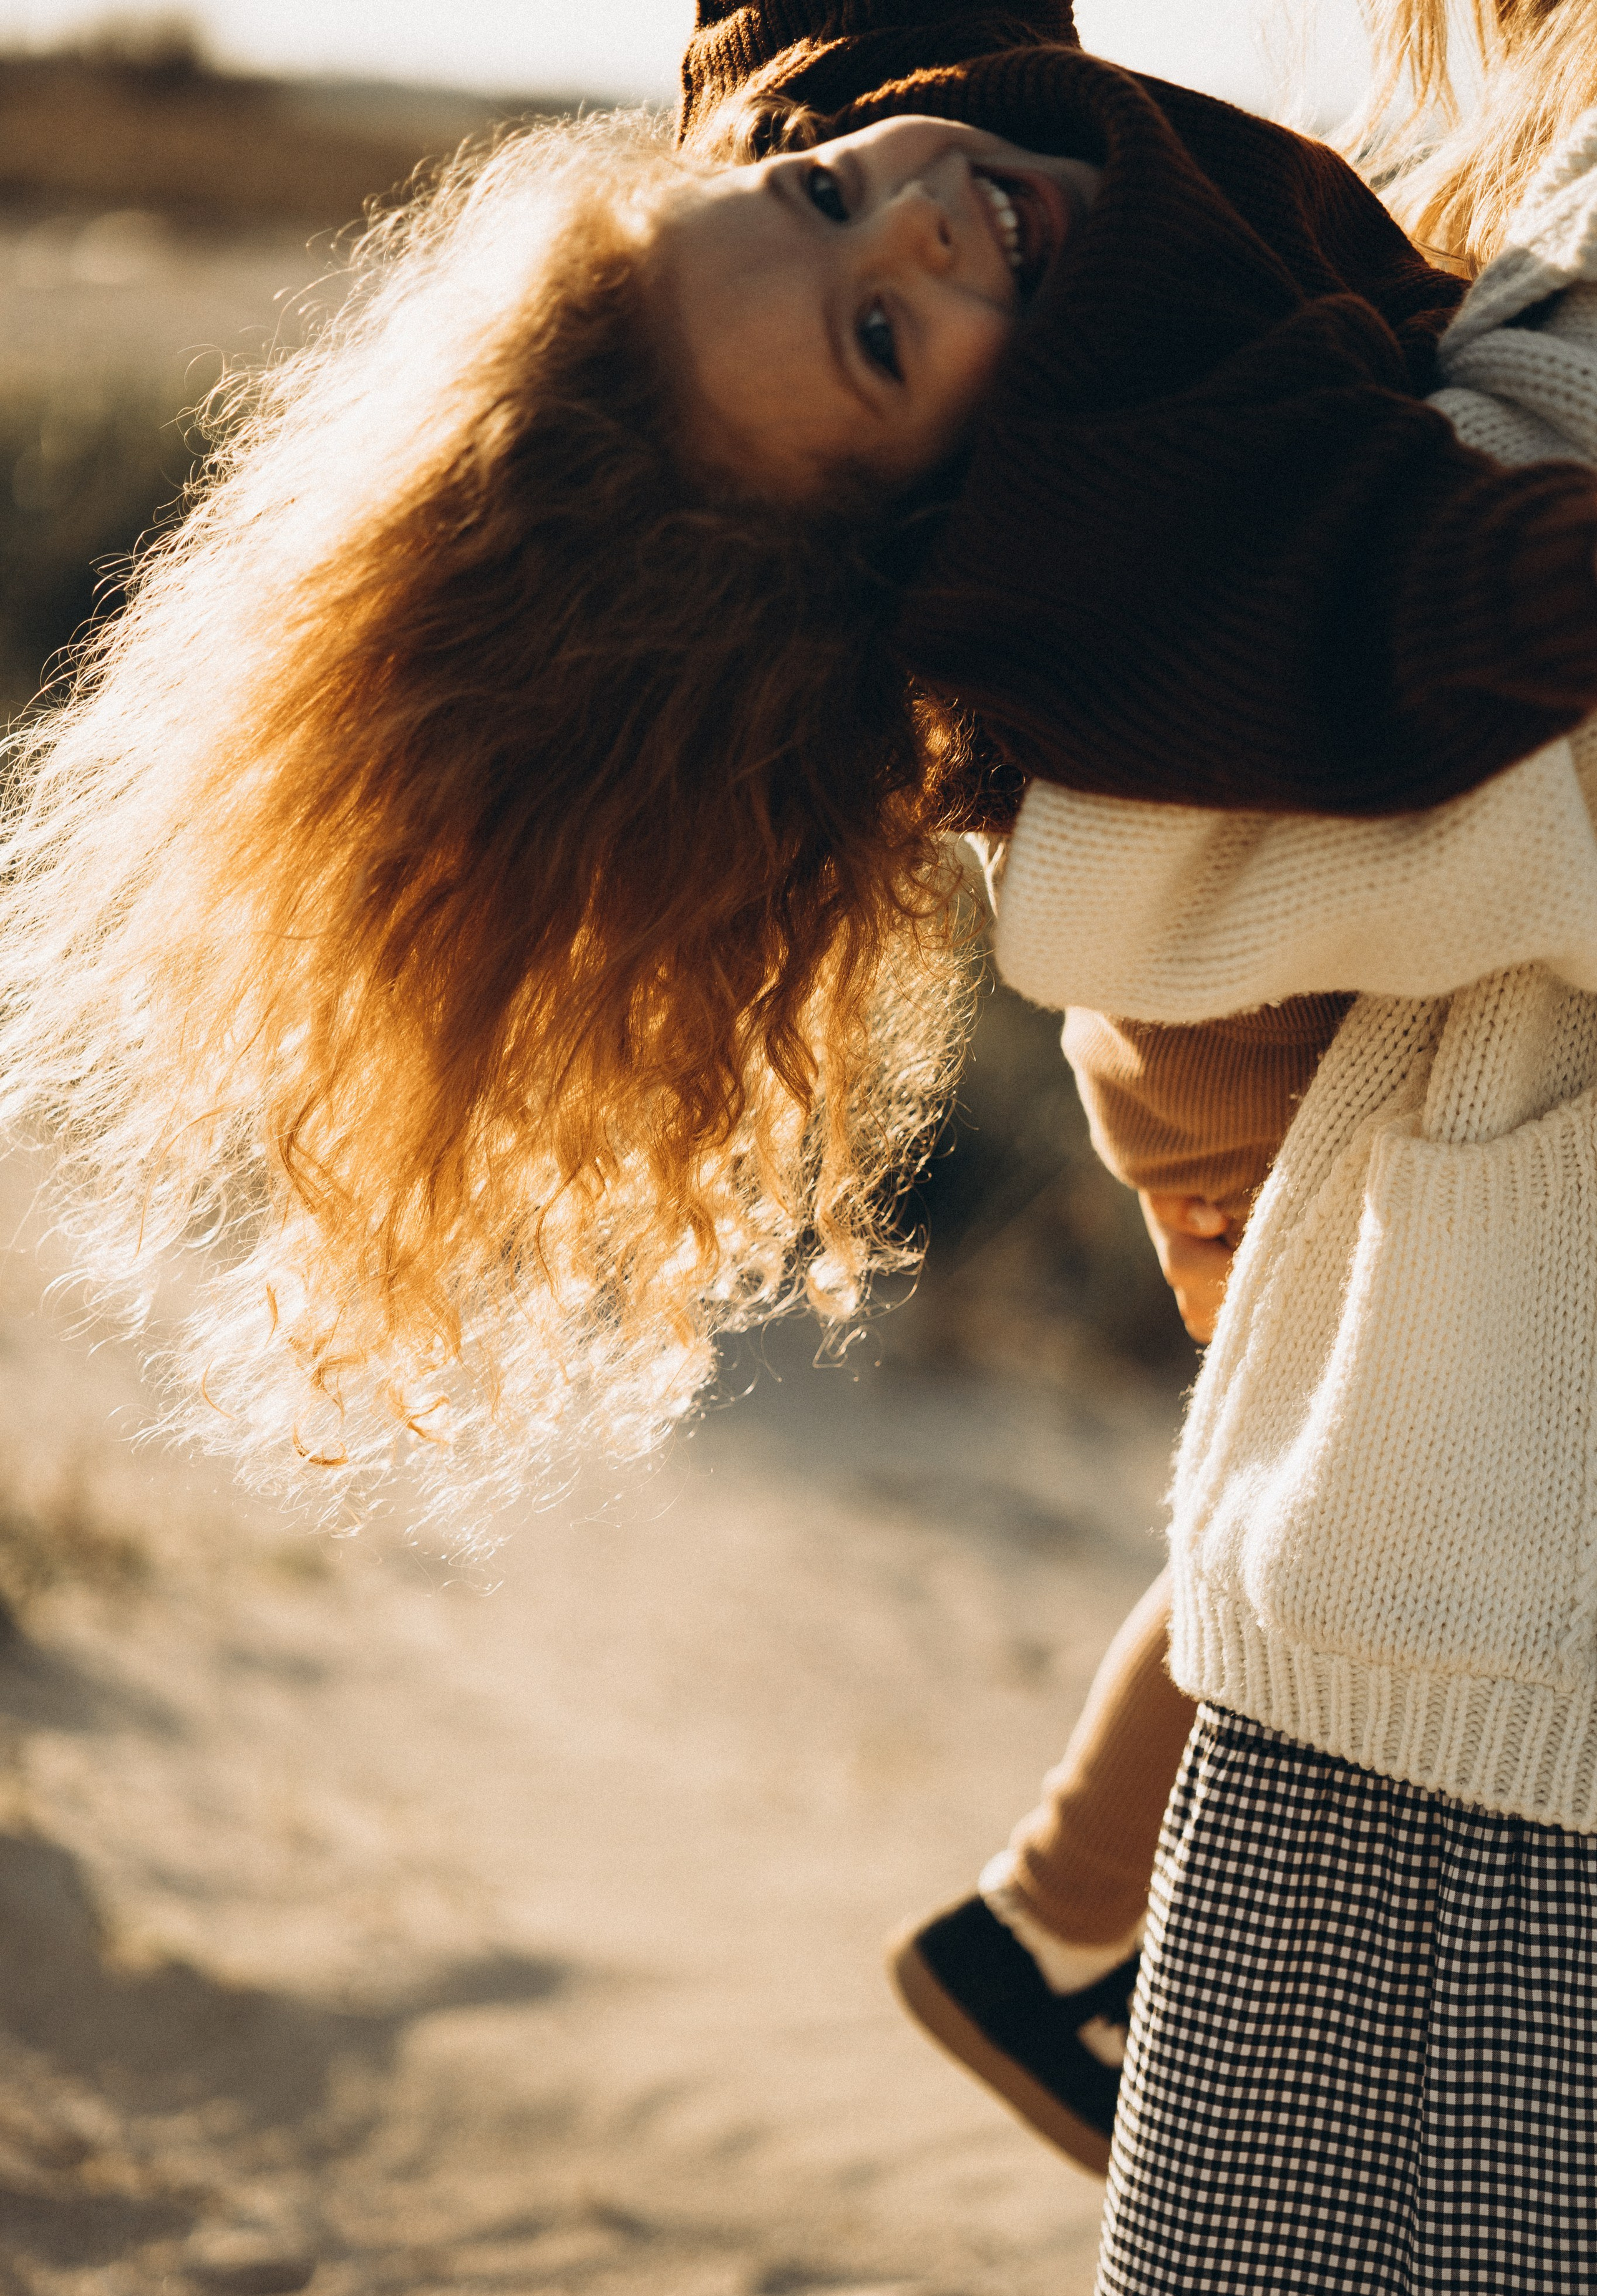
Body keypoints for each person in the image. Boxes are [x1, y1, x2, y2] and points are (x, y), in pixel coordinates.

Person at [0, 1, 1592, 1556]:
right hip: (1237, 1059)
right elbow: (1466, 601)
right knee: (1323, 1538)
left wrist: (820, 203)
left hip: (1224, 960)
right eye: (881, 339)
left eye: (819, 193)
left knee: (1272, 1541)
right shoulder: (1144, 565)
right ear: (906, 537)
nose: (920, 219)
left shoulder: (877, 135)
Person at [890, 0, 1597, 2199]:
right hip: (1258, 1065)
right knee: (1293, 1503)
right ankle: (1030, 1930)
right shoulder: (1383, 296)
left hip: (1246, 1053)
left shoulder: (1429, 246)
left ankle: (1038, 1922)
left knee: (1280, 1490)